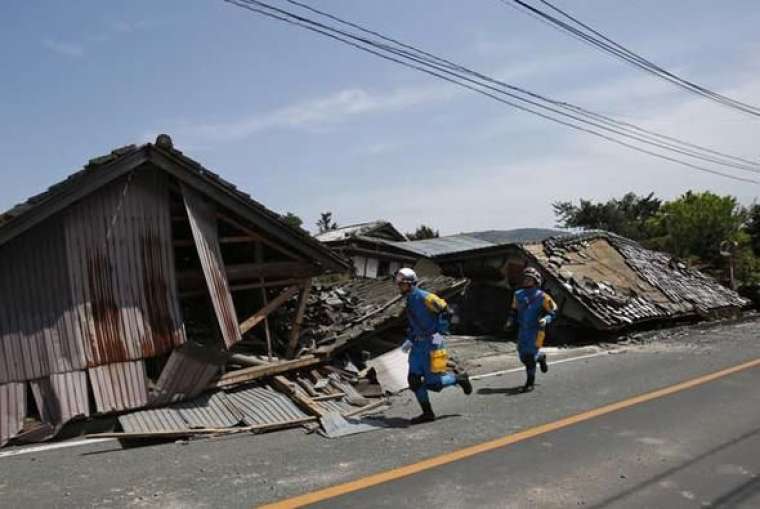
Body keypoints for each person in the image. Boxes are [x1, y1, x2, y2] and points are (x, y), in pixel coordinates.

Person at [396, 268, 472, 424]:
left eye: (403, 284)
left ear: (411, 283)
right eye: (399, 284)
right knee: (414, 380)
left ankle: (459, 378)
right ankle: (428, 413)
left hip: (433, 343)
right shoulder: (410, 299)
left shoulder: (426, 297)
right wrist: (410, 339)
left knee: (434, 383)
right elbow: (413, 323)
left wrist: (439, 333)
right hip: (417, 345)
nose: (400, 287)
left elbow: (447, 311)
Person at [507, 267, 558, 393]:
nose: (526, 281)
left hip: (536, 331)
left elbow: (554, 311)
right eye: (525, 278)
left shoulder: (542, 296)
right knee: (523, 356)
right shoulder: (518, 294)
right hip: (523, 330)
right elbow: (513, 311)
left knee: (529, 357)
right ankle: (540, 357)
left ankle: (530, 383)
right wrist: (509, 322)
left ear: (536, 281)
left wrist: (546, 319)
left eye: (529, 279)